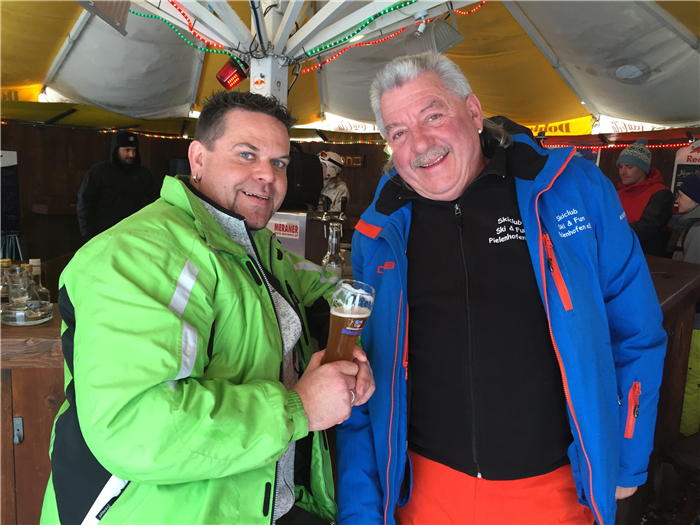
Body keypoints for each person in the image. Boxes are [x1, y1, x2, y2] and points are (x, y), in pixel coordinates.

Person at [336, 52, 667, 525]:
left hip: (556, 492)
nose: (420, 143)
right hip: (423, 494)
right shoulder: (378, 230)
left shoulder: (570, 188)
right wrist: (361, 510)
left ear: (473, 112)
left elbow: (636, 330)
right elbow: (360, 376)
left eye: (433, 115)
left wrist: (629, 456)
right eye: (398, 132)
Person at [41, 91, 374, 525]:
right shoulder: (140, 252)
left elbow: (317, 288)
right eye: (247, 154)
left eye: (279, 163)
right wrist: (300, 408)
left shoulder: (253, 243)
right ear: (198, 159)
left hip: (262, 503)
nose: (267, 175)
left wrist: (349, 347)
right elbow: (139, 428)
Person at [76, 130, 161, 241]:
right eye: (127, 150)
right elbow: (84, 204)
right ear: (116, 149)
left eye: (134, 150)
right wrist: (89, 236)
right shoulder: (99, 172)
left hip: (131, 234)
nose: (131, 155)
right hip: (103, 234)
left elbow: (157, 196)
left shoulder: (142, 174)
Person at [668, 173, 700, 436]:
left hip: (696, 318)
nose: (677, 199)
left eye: (682, 194)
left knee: (689, 377)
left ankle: (684, 436)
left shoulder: (697, 231)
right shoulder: (691, 226)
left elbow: (692, 280)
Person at [616, 138, 674, 256]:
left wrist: (613, 232)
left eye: (629, 166)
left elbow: (649, 226)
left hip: (646, 257)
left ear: (643, 169)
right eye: (620, 167)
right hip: (617, 252)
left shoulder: (660, 193)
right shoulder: (618, 193)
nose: (623, 172)